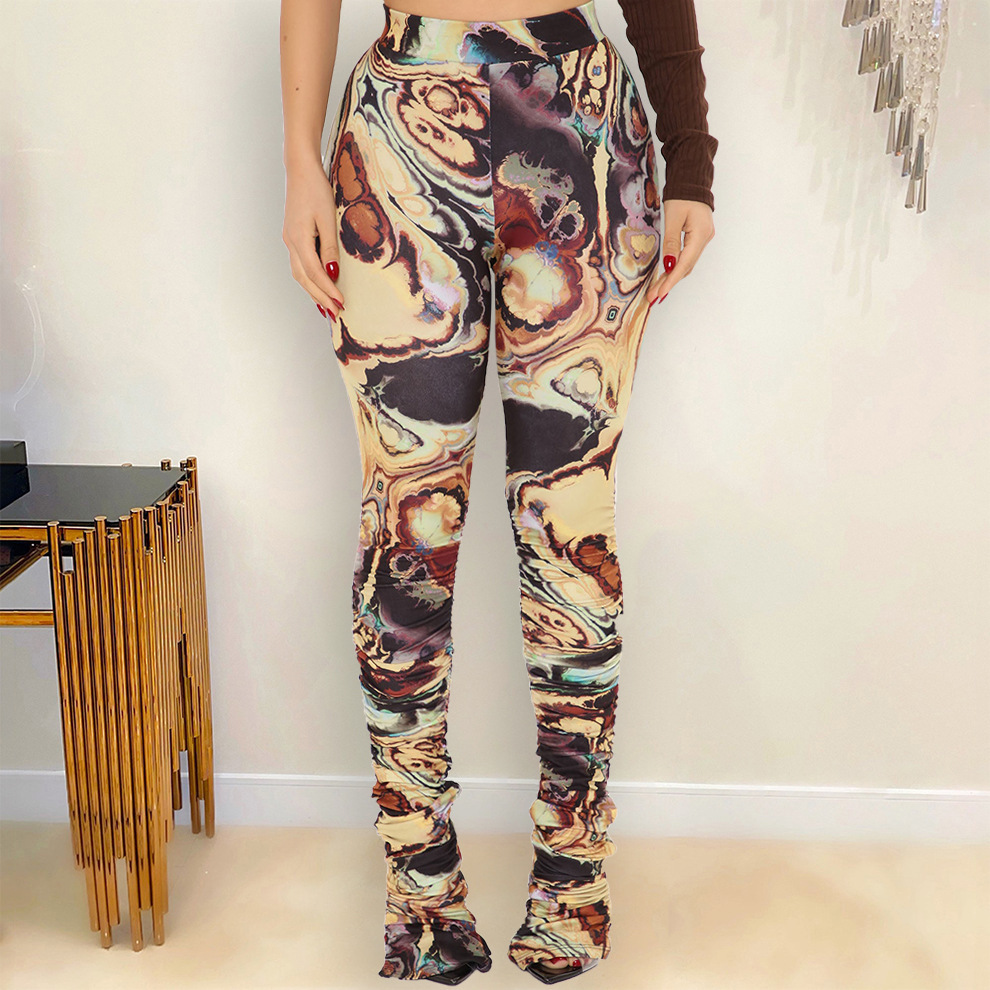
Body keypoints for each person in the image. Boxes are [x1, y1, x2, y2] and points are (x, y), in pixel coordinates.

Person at [280, 0, 717, 983]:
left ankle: (573, 877)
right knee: (406, 525)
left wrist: (691, 159)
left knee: (570, 521)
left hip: (580, 127)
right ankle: (420, 890)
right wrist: (301, 163)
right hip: (397, 134)